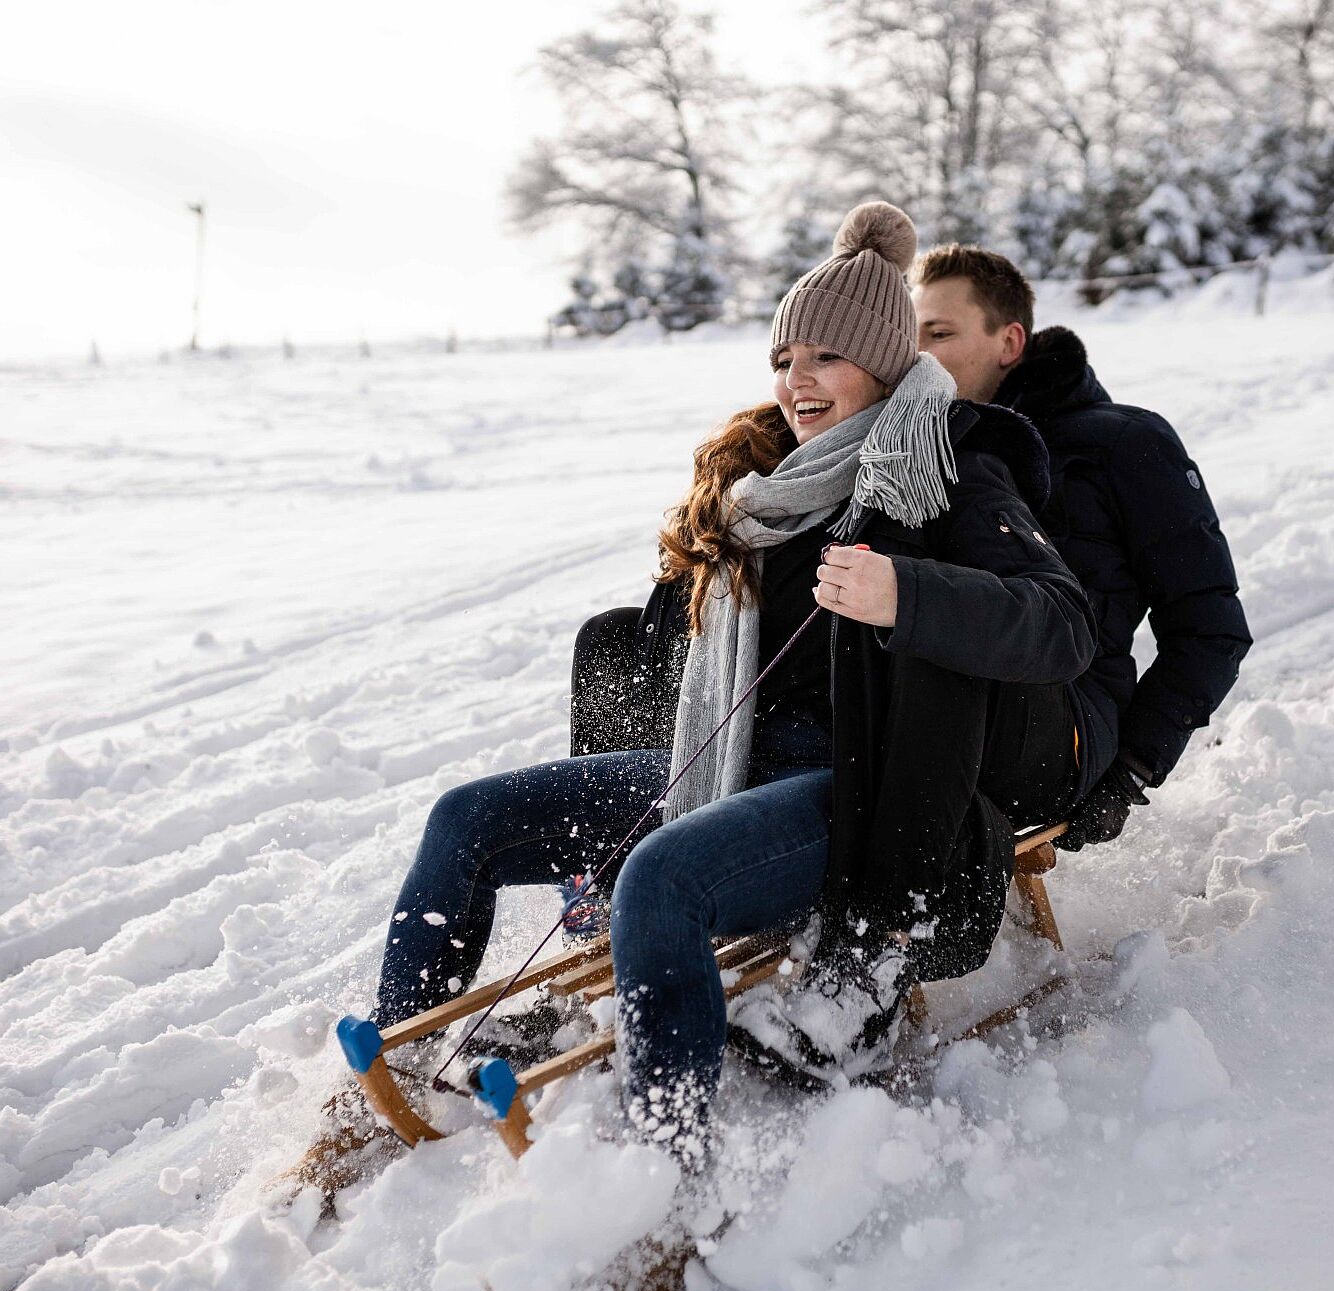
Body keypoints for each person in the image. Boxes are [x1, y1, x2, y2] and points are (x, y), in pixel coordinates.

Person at [371, 202, 1095, 1164]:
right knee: (467, 819)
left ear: (882, 363)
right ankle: (398, 1064)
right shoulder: (768, 493)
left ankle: (663, 1159)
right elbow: (686, 657)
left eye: (826, 357)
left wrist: (906, 589)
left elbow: (1063, 623)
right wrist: (702, 566)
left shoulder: (949, 467)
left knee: (661, 876)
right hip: (729, 761)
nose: (798, 379)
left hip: (861, 785)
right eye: (784, 358)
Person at [910, 248, 1251, 849]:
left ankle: (902, 926)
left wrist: (1132, 769)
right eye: (909, 336)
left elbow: (1209, 626)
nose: (918, 355)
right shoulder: (922, 450)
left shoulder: (1125, 444)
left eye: (939, 333)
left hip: (1067, 718)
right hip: (951, 717)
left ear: (1009, 342)